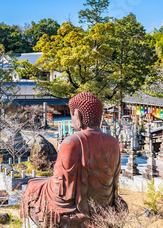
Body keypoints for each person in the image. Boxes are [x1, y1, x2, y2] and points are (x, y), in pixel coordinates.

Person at [21, 92, 124, 227]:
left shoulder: (72, 142)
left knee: (33, 184)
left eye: (72, 115)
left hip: (75, 204)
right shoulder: (113, 142)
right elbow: (114, 183)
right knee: (38, 182)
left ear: (78, 114)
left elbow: (60, 188)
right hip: (105, 201)